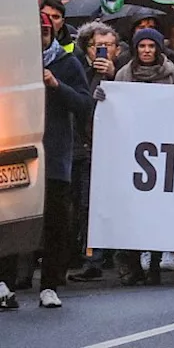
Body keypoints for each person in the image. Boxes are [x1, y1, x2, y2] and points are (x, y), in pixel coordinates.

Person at [0, 12, 91, 310]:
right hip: (15, 156)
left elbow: (84, 104)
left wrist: (56, 85)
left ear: (52, 33)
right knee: (10, 222)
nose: (39, 37)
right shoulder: (10, 60)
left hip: (54, 157)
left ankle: (50, 285)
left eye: (44, 32)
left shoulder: (67, 63)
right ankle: (5, 284)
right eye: (34, 32)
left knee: (56, 223)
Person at [106, 27, 174, 285]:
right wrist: (104, 95)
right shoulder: (123, 75)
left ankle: (155, 261)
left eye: (151, 47)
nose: (146, 51)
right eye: (142, 46)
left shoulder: (172, 76)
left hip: (162, 149)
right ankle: (133, 264)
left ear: (158, 49)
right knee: (133, 209)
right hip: (132, 149)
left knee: (157, 208)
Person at [66, 23, 120, 283]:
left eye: (108, 46)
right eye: (97, 46)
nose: (102, 51)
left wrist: (113, 76)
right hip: (86, 147)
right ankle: (92, 258)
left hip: (118, 148)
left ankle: (110, 255)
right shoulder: (79, 72)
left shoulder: (123, 72)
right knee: (86, 204)